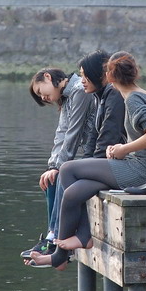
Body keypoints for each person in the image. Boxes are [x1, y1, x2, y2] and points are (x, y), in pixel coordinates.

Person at [27, 52, 146, 270]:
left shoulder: (132, 99)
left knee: (67, 169)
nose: (81, 79)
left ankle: (64, 251)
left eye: (85, 75)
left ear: (108, 76)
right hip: (141, 164)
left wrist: (124, 149)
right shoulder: (132, 95)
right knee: (73, 192)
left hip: (143, 168)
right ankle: (72, 246)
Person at [20, 67, 96, 260]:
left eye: (40, 91)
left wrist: (58, 167)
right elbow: (61, 134)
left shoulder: (80, 90)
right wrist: (51, 166)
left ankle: (56, 239)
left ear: (48, 77)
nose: (43, 98)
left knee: (62, 173)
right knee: (51, 178)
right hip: (89, 155)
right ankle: (51, 237)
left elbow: (74, 133)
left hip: (99, 153)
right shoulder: (67, 97)